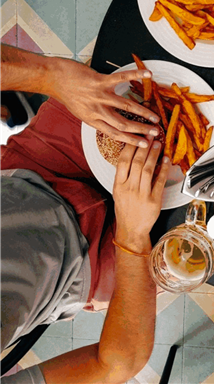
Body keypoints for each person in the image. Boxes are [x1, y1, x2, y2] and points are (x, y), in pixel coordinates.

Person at [0, 45, 167, 371]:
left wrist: (49, 76)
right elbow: (116, 364)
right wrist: (132, 235)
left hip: (28, 172)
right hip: (86, 273)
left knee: (143, 69)